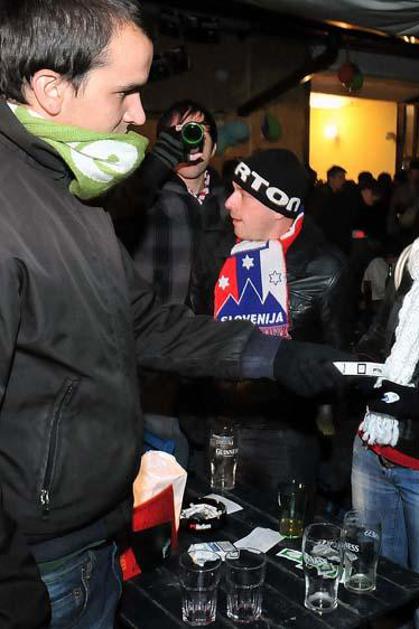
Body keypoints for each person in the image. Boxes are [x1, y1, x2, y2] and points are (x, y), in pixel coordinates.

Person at [0, 1, 349, 626]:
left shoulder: (71, 190)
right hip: (39, 563)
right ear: (51, 88)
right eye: (125, 92)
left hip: (90, 541)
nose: (140, 114)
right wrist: (9, 584)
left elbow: (144, 322)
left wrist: (274, 356)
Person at [189, 149, 351, 491]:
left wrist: (338, 452)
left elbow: (338, 368)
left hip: (286, 438)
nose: (229, 203)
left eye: (243, 195)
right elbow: (192, 331)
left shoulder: (325, 269)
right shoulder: (213, 250)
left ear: (278, 207)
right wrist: (192, 414)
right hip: (216, 423)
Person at [355, 239, 419, 628]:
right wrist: (359, 366)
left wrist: (409, 401)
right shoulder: (413, 260)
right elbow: (379, 336)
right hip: (371, 450)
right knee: (379, 592)